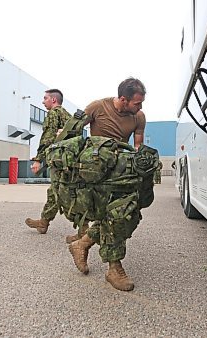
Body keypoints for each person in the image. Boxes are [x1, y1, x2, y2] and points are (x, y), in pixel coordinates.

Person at [68, 77, 147, 291]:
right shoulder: (97, 107)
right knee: (116, 216)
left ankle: (82, 243)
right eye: (137, 103)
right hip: (98, 173)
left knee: (122, 215)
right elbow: (72, 132)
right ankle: (114, 268)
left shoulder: (138, 117)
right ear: (123, 99)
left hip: (124, 172)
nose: (140, 107)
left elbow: (138, 145)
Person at [25, 89, 72, 236]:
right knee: (56, 191)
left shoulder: (53, 114)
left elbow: (47, 138)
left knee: (60, 192)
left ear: (53, 100)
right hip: (69, 159)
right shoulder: (68, 116)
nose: (42, 101)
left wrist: (39, 159)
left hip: (59, 160)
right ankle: (43, 222)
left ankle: (84, 231)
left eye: (45, 98)